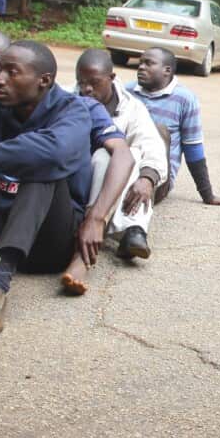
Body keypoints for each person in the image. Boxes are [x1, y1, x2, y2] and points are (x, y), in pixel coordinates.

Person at [0, 41, 92, 335]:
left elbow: (54, 152)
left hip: (51, 242)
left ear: (44, 81)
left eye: (12, 73)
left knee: (43, 168)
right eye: (0, 71)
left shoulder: (73, 111)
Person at [62, 49, 168, 296]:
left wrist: (148, 178)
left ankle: (90, 247)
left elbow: (151, 145)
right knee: (104, 156)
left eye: (94, 83)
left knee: (120, 155)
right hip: (73, 176)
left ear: (112, 77)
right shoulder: (67, 97)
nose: (87, 89)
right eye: (82, 82)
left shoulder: (132, 108)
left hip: (108, 183)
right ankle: (131, 229)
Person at [132, 48, 220, 206]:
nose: (141, 67)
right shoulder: (128, 92)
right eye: (141, 62)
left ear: (167, 70)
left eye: (149, 63)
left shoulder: (185, 99)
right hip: (125, 168)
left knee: (157, 130)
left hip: (158, 179)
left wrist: (207, 195)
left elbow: (193, 148)